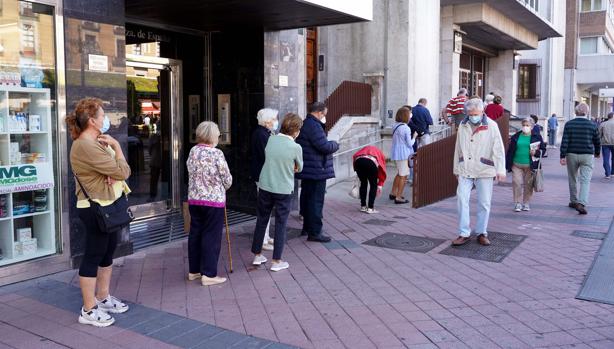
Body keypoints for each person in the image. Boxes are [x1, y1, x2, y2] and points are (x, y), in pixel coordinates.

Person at [67, 98, 131, 327]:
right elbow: (123, 171)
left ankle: (102, 297)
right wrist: (116, 147)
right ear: (92, 121)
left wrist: (111, 167)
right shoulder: (86, 145)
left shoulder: (95, 142)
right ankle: (89, 309)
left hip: (107, 204)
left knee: (107, 251)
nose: (106, 120)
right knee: (94, 254)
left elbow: (115, 171)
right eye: (103, 116)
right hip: (94, 207)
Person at [252, 114, 303, 271]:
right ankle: (276, 261)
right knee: (281, 223)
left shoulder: (271, 139)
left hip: (266, 184)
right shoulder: (296, 147)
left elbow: (269, 157)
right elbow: (299, 167)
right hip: (283, 188)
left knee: (262, 219)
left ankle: (257, 254)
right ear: (295, 130)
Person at [452, 98, 506, 246]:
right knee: (462, 199)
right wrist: (456, 168)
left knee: (484, 202)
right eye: (470, 113)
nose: (473, 116)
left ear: (482, 111)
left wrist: (500, 170)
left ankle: (482, 232)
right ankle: (464, 232)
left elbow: (499, 150)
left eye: (475, 113)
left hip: (484, 168)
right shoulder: (463, 125)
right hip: (465, 168)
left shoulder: (492, 126)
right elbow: (458, 148)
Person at [187, 121, 233, 285]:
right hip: (213, 201)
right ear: (213, 136)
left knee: (196, 233)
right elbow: (227, 179)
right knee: (211, 236)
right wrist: (224, 186)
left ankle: (194, 270)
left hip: (194, 199)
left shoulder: (193, 151)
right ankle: (209, 274)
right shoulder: (216, 154)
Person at [296, 102, 339, 243]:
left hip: (309, 168)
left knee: (308, 199)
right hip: (316, 170)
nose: (324, 117)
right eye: (324, 114)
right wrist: (335, 144)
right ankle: (315, 232)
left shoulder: (306, 123)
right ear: (319, 112)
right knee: (316, 202)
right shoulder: (314, 126)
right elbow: (324, 146)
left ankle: (307, 228)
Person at [560, 103, 601, 215]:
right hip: (587, 155)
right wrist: (597, 152)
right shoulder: (592, 125)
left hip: (571, 154)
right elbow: (597, 141)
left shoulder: (569, 124)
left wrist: (562, 156)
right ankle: (582, 203)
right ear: (586, 112)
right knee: (585, 180)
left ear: (575, 112)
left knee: (572, 178)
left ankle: (573, 201)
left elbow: (565, 141)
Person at [250, 108, 279, 251]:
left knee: (265, 208)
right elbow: (266, 156)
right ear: (267, 121)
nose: (275, 121)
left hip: (263, 175)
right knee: (264, 208)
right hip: (263, 176)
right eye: (274, 119)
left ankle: (266, 237)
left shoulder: (264, 133)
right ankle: (262, 240)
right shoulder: (261, 135)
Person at [506, 118, 546, 212]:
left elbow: (543, 151)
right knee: (517, 183)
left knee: (528, 185)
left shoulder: (536, 136)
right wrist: (507, 163)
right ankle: (517, 203)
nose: (525, 127)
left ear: (531, 127)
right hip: (516, 164)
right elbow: (510, 150)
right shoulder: (516, 136)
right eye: (523, 125)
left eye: (527, 125)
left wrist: (536, 152)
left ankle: (526, 203)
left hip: (530, 165)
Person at [389, 107, 417, 204]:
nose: (410, 116)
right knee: (403, 175)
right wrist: (414, 137)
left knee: (399, 173)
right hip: (404, 154)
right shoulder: (406, 128)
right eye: (409, 114)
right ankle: (398, 197)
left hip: (396, 152)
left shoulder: (395, 125)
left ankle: (393, 193)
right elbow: (409, 144)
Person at [352, 145, 387, 213]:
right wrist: (380, 183)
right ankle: (370, 208)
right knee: (373, 185)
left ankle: (363, 206)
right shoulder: (379, 153)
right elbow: (382, 169)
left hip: (358, 162)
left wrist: (355, 169)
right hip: (371, 163)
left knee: (363, 183)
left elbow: (354, 156)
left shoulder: (362, 150)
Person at [598, 112, 614, 179]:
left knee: (606, 159)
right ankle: (613, 173)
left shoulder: (603, 124)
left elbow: (599, 135)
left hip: (605, 143)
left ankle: (607, 174)